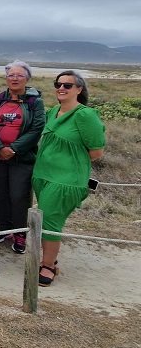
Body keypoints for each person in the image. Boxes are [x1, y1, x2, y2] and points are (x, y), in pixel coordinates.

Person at [33, 71, 105, 286]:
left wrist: (69, 163)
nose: (61, 88)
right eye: (58, 84)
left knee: (50, 221)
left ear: (79, 89)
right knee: (45, 218)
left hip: (65, 180)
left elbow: (96, 151)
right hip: (43, 175)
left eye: (67, 85)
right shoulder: (54, 111)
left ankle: (48, 266)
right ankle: (49, 258)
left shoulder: (85, 115)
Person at [0, 60, 45, 254]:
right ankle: (3, 227)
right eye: (11, 75)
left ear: (27, 78)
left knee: (19, 196)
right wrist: (0, 147)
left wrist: (14, 148)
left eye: (19, 75)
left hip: (21, 158)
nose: (14, 78)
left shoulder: (35, 102)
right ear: (6, 78)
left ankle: (20, 234)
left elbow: (37, 128)